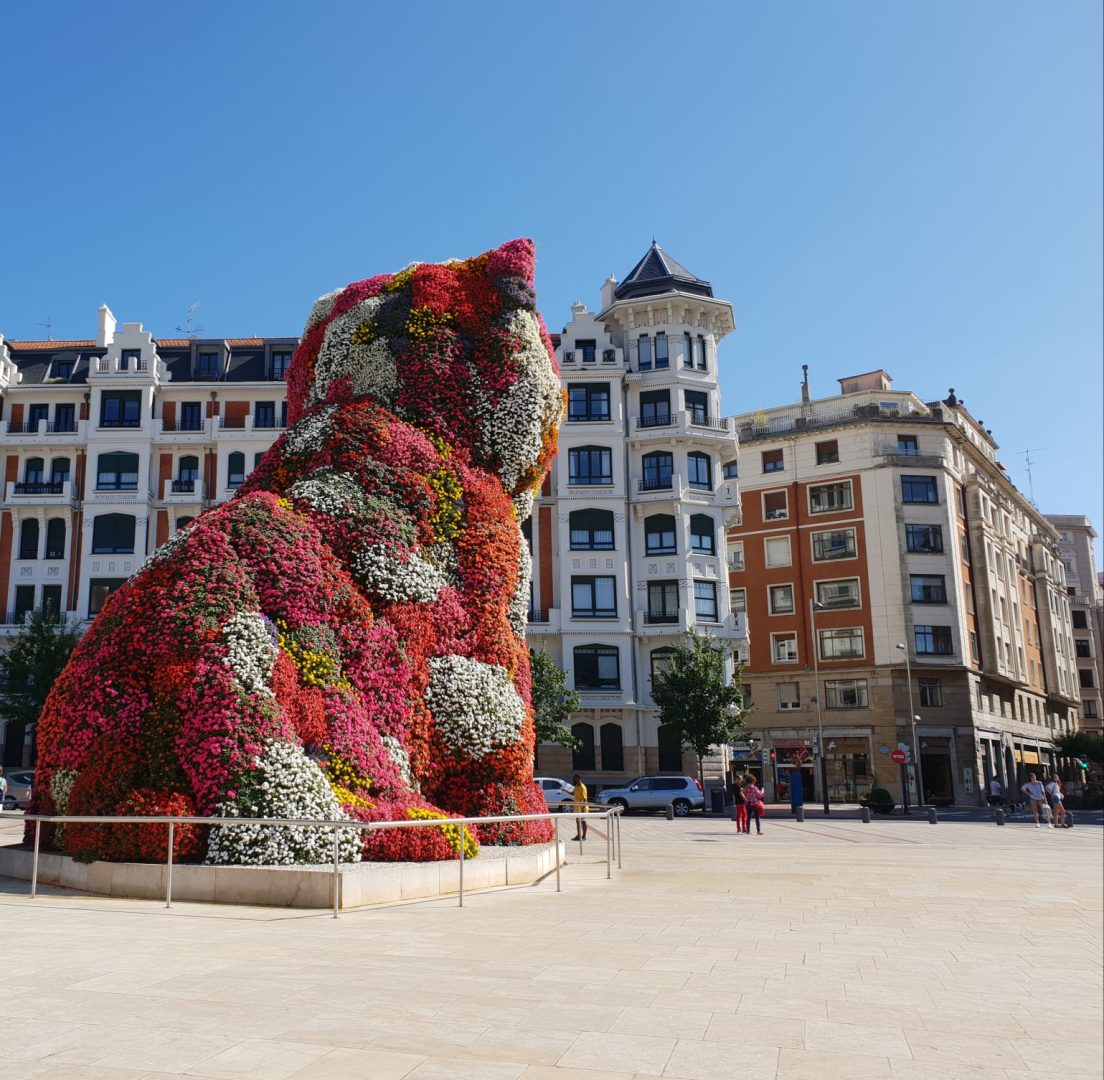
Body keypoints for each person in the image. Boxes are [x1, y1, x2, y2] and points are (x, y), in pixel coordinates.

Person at [571, 773, 588, 840]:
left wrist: (583, 808)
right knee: (578, 821)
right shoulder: (576, 786)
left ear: (578, 779)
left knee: (583, 821)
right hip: (577, 807)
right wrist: (565, 791)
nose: (573, 780)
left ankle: (584, 836)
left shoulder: (582, 787)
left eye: (574, 779)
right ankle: (578, 835)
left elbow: (585, 798)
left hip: (582, 808)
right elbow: (573, 793)